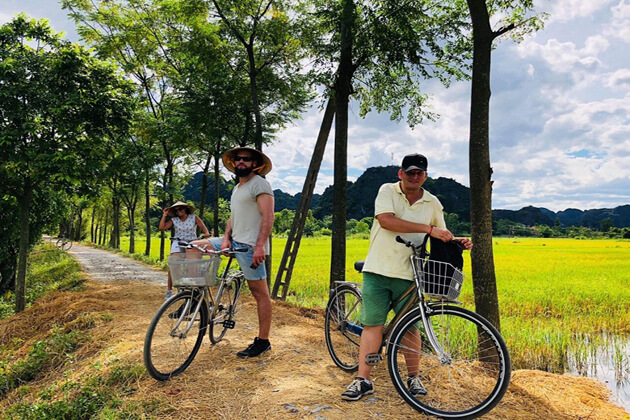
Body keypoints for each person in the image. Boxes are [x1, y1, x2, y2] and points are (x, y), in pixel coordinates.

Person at [341, 153, 473, 401]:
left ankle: (413, 377)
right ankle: (363, 380)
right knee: (373, 326)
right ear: (400, 173)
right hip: (378, 269)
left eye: (419, 173)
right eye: (409, 172)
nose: (414, 176)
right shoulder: (388, 190)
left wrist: (458, 241)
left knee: (411, 328)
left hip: (412, 275)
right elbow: (386, 221)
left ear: (425, 176)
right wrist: (428, 229)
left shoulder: (432, 203)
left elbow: (440, 234)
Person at [194, 147, 274, 358]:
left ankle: (263, 341)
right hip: (234, 239)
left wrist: (259, 247)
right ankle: (195, 297)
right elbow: (234, 217)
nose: (240, 162)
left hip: (249, 246)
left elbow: (268, 217)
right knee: (195, 246)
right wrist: (226, 237)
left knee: (260, 293)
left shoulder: (260, 184)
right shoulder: (238, 188)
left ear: (254, 163)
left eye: (245, 159)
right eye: (237, 159)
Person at [159, 201, 211, 300]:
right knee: (173, 263)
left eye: (180, 209)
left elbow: (204, 228)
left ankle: (193, 288)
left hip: (192, 242)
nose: (179, 211)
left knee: (193, 264)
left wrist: (206, 234)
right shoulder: (174, 220)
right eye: (176, 210)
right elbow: (162, 227)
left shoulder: (194, 218)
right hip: (178, 242)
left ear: (185, 209)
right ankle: (169, 290)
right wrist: (164, 215)